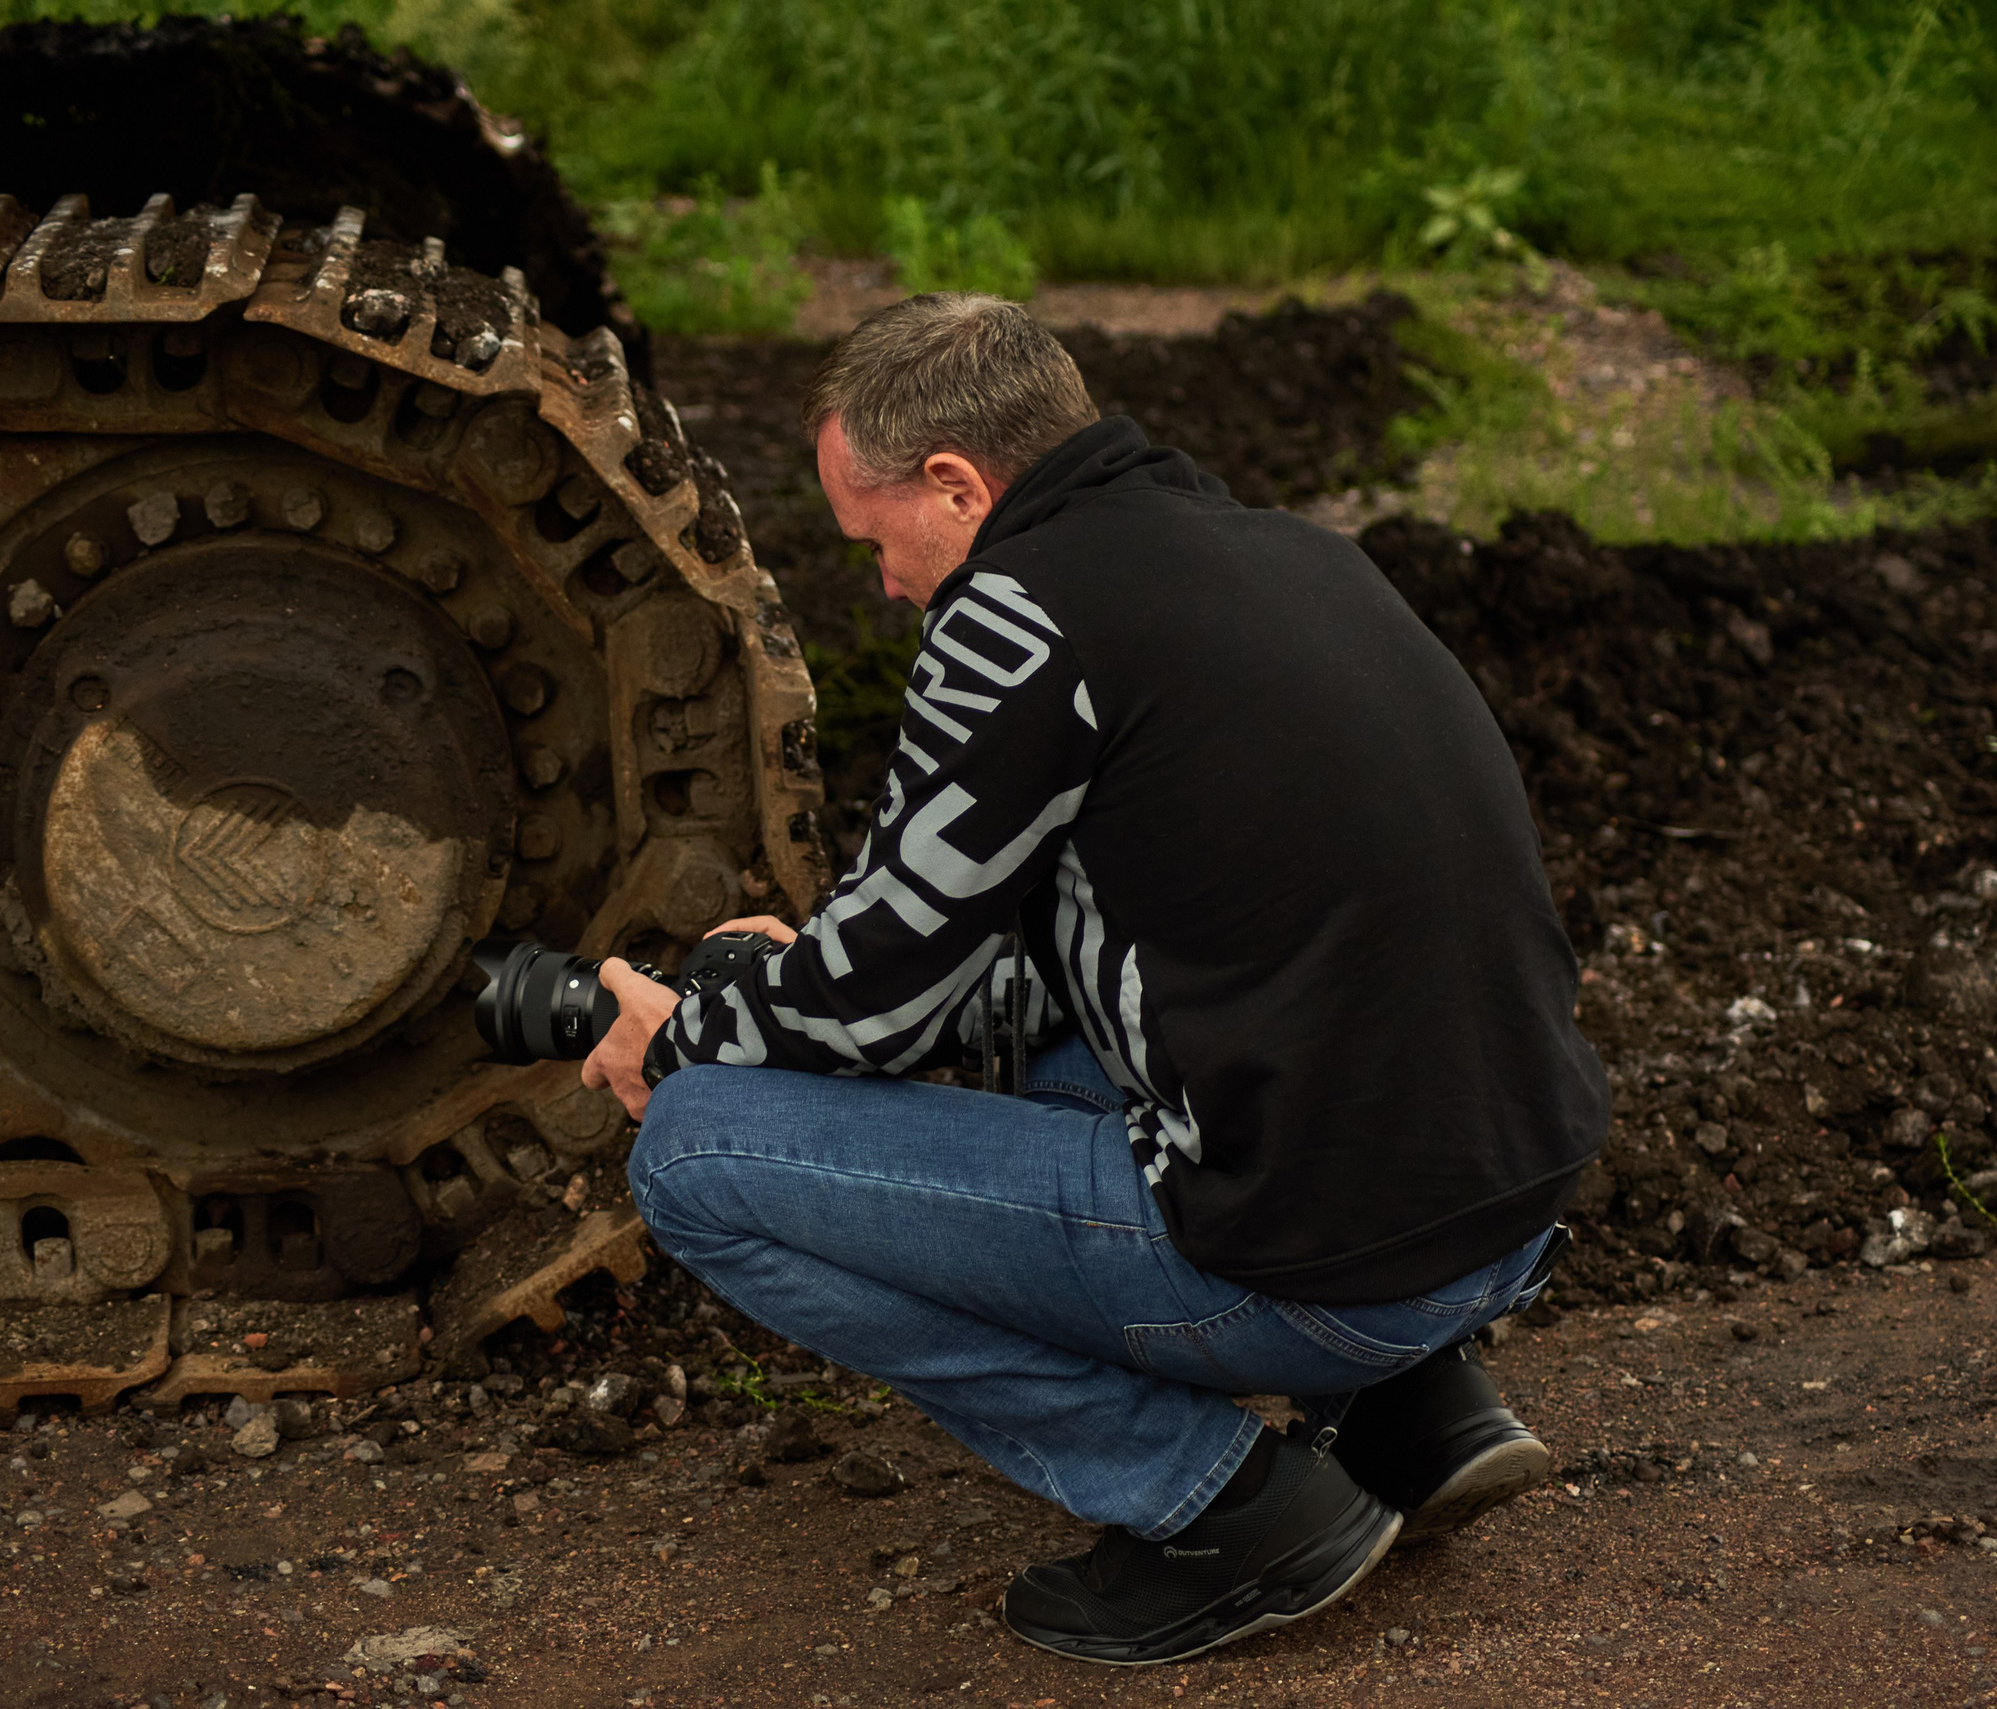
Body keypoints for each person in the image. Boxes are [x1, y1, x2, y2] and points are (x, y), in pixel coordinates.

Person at [580, 293, 1608, 1666]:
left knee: (700, 1153)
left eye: (877, 543)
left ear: (956, 484)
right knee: (1104, 1033)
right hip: (1503, 1212)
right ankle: (1414, 1406)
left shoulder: (1014, 616)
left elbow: (874, 1010)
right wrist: (810, 982)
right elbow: (1084, 955)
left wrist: (697, 1028)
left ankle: (1222, 1501)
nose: (883, 585)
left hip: (1330, 1271)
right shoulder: (1291, 554)